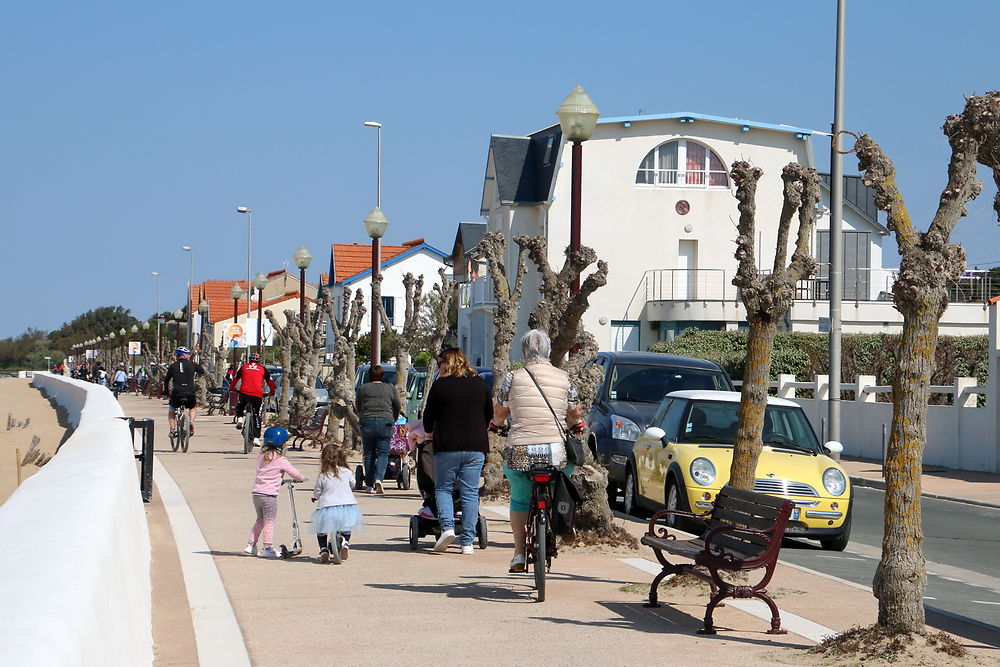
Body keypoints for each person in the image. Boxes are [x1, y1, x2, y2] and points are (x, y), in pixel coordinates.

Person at [492, 329, 584, 573]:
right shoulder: (564, 378)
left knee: (520, 498)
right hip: (555, 450)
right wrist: (574, 424)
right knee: (562, 477)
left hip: (520, 449)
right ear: (549, 352)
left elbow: (500, 413)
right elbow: (575, 412)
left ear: (524, 352)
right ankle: (562, 519)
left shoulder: (513, 377)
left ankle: (519, 553)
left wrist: (496, 424)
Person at [422, 348, 492, 555]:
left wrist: (428, 432)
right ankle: (468, 542)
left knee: (443, 488)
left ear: (448, 363)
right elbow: (488, 413)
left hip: (448, 445)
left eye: (440, 363)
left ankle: (447, 528)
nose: (439, 367)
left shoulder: (440, 386)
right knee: (470, 492)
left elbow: (428, 417)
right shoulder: (480, 384)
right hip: (475, 445)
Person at [244, 426, 305, 558]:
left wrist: (279, 480)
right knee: (269, 521)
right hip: (269, 496)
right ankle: (268, 547)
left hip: (257, 494)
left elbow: (267, 473)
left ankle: (251, 544)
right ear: (282, 444)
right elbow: (295, 473)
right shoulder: (281, 459)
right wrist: (302, 478)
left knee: (260, 520)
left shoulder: (261, 457)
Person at [310, 444, 363, 563]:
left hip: (327, 506)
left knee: (322, 530)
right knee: (346, 528)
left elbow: (318, 491)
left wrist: (315, 497)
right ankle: (345, 543)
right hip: (346, 505)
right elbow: (353, 484)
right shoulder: (347, 472)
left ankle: (324, 550)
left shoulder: (323, 474)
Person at [355, 365, 400, 494]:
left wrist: (363, 415)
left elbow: (358, 405)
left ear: (369, 376)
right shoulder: (389, 388)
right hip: (385, 421)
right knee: (383, 453)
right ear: (382, 376)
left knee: (369, 453)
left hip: (367, 421)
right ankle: (379, 479)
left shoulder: (363, 388)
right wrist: (393, 418)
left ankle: (369, 484)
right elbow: (396, 405)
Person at [230, 353, 275, 446]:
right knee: (257, 415)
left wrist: (232, 388)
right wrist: (272, 392)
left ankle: (240, 418)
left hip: (244, 392)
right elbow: (270, 381)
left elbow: (235, 379)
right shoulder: (263, 369)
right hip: (257, 394)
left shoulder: (244, 367)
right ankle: (256, 438)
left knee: (241, 405)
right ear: (259, 361)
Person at [162, 347, 206, 438]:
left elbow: (166, 380)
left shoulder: (173, 366)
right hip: (190, 392)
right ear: (183, 355)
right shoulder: (191, 364)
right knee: (192, 407)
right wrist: (192, 363)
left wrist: (166, 391)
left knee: (171, 410)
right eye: (188, 354)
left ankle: (173, 430)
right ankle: (190, 422)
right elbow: (202, 371)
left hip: (177, 393)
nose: (189, 355)